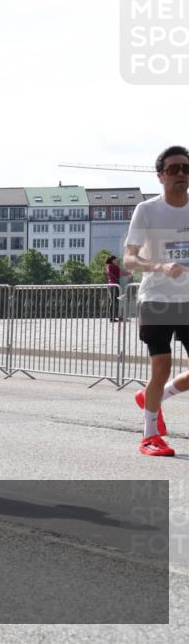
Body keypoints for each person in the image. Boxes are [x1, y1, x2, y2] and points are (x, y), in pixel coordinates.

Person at [125, 145, 189, 457]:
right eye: (174, 169)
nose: (181, 174)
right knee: (161, 365)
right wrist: (160, 266)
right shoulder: (147, 210)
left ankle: (154, 396)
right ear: (161, 176)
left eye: (185, 169)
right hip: (157, 298)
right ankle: (149, 435)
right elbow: (129, 260)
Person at [105, 255, 130, 322]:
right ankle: (119, 317)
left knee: (113, 301)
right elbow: (120, 273)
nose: (116, 261)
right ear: (112, 260)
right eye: (115, 260)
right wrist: (129, 273)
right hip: (115, 285)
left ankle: (112, 318)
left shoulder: (107, 266)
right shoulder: (113, 266)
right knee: (118, 300)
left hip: (110, 284)